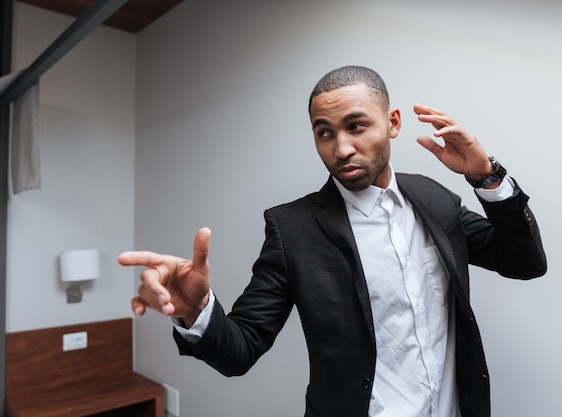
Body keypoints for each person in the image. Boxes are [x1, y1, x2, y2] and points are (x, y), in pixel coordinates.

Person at [118, 66, 547, 417]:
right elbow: (241, 349)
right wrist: (196, 313)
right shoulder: (293, 229)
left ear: (392, 123)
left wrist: (486, 177)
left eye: (357, 126)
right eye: (324, 133)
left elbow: (524, 262)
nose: (341, 148)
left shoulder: (434, 198)